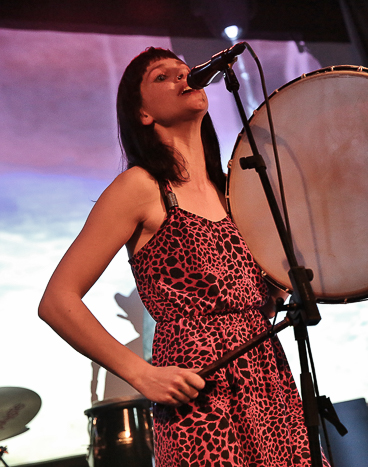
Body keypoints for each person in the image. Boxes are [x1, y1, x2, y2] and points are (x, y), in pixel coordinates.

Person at [39, 47, 324, 466]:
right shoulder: (141, 187)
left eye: (185, 71)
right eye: (162, 76)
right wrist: (141, 374)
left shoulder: (234, 189)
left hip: (268, 379)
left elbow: (261, 292)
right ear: (142, 114)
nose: (183, 77)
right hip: (200, 392)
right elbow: (57, 301)